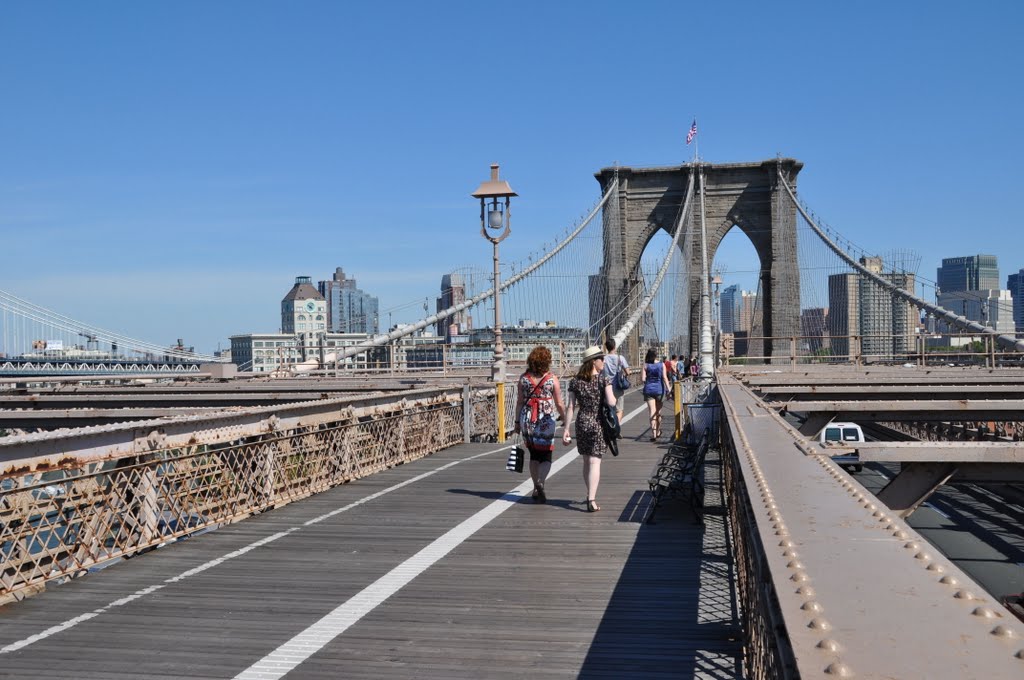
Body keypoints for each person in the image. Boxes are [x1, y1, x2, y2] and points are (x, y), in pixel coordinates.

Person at [562, 345, 616, 512]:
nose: (604, 361)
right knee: (595, 461)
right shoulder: (603, 379)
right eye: (601, 359)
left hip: (582, 422)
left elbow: (570, 407)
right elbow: (612, 402)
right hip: (598, 422)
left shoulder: (575, 381)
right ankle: (591, 499)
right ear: (594, 362)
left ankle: (589, 494)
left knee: (586, 460)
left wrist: (566, 429)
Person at [514, 346, 566, 504]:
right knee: (546, 455)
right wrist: (565, 418)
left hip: (527, 419)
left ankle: (535, 488)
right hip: (546, 419)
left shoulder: (524, 378)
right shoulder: (551, 379)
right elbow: (559, 402)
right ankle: (541, 482)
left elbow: (519, 402)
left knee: (534, 455)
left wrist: (517, 422)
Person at [641, 348, 669, 441]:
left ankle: (653, 434)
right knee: (658, 413)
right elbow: (665, 378)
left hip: (649, 390)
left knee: (652, 412)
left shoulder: (645, 365)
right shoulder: (662, 364)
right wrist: (669, 389)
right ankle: (657, 431)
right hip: (659, 390)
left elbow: (643, 379)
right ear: (656, 355)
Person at [600, 337, 629, 422]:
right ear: (615, 346)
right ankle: (616, 428)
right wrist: (623, 374)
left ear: (606, 347)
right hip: (618, 387)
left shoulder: (603, 359)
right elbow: (628, 371)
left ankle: (610, 427)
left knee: (608, 409)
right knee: (619, 410)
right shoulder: (620, 358)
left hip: (606, 387)